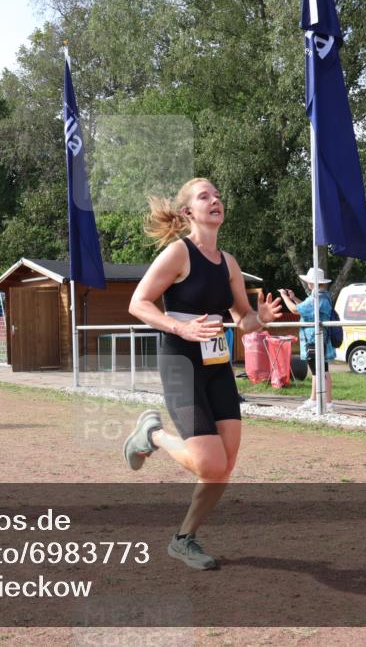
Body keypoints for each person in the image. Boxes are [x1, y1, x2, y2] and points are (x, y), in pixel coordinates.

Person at [123, 178, 283, 570]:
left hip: (216, 364)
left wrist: (256, 319)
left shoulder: (229, 263)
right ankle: (153, 435)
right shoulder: (178, 253)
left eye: (217, 195)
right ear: (187, 212)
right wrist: (180, 328)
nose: (215, 200)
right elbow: (137, 303)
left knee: (223, 466)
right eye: (204, 196)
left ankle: (184, 539)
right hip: (180, 359)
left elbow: (241, 318)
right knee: (210, 464)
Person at [279, 268, 336, 410]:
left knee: (318, 371)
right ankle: (320, 401)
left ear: (312, 283)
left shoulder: (316, 298)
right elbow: (304, 307)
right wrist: (293, 298)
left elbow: (294, 310)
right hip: (320, 338)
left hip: (314, 339)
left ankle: (320, 401)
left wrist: (284, 297)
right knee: (322, 370)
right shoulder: (323, 296)